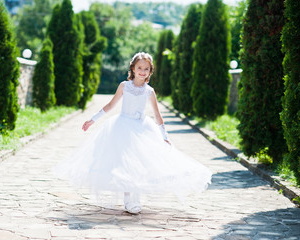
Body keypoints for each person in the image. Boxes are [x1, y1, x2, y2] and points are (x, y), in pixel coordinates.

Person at [54, 52, 212, 214]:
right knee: (124, 163)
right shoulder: (124, 86)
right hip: (122, 127)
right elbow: (110, 105)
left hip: (142, 129)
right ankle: (129, 199)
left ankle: (134, 198)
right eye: (139, 68)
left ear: (150, 72)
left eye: (146, 69)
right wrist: (92, 120)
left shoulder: (149, 91)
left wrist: (165, 137)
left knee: (138, 164)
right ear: (133, 69)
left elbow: (158, 116)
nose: (142, 71)